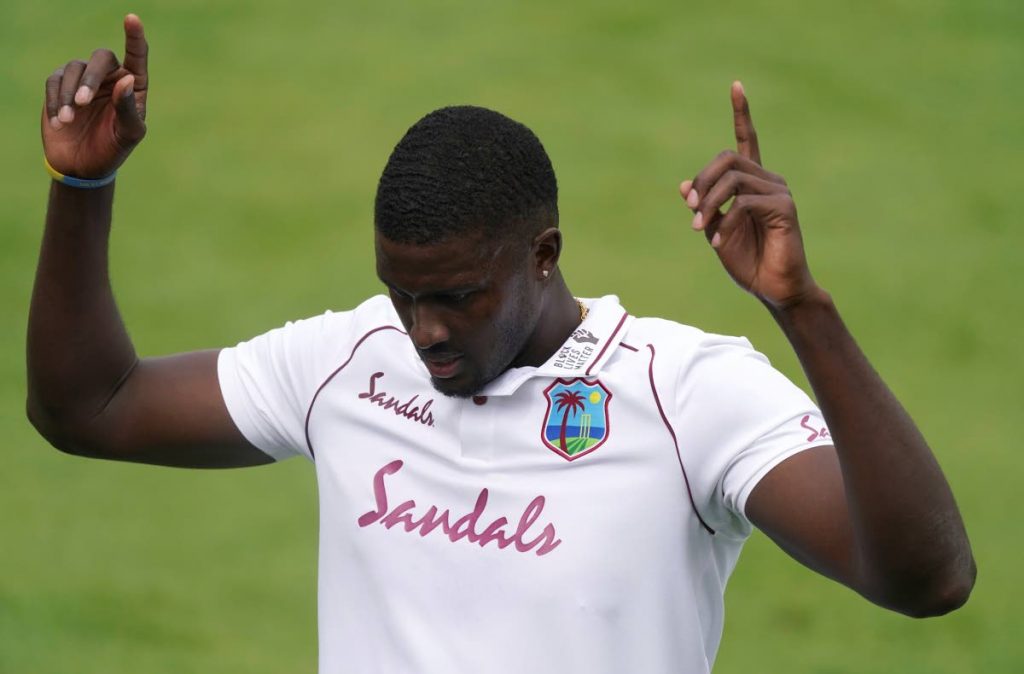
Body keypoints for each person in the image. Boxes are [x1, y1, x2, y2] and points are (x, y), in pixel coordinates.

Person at [28, 14, 975, 674]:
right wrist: (82, 191)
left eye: (456, 298)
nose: (423, 332)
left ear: (544, 255)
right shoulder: (348, 365)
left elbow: (928, 579)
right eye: (400, 294)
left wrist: (802, 308)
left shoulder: (688, 395)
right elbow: (89, 407)